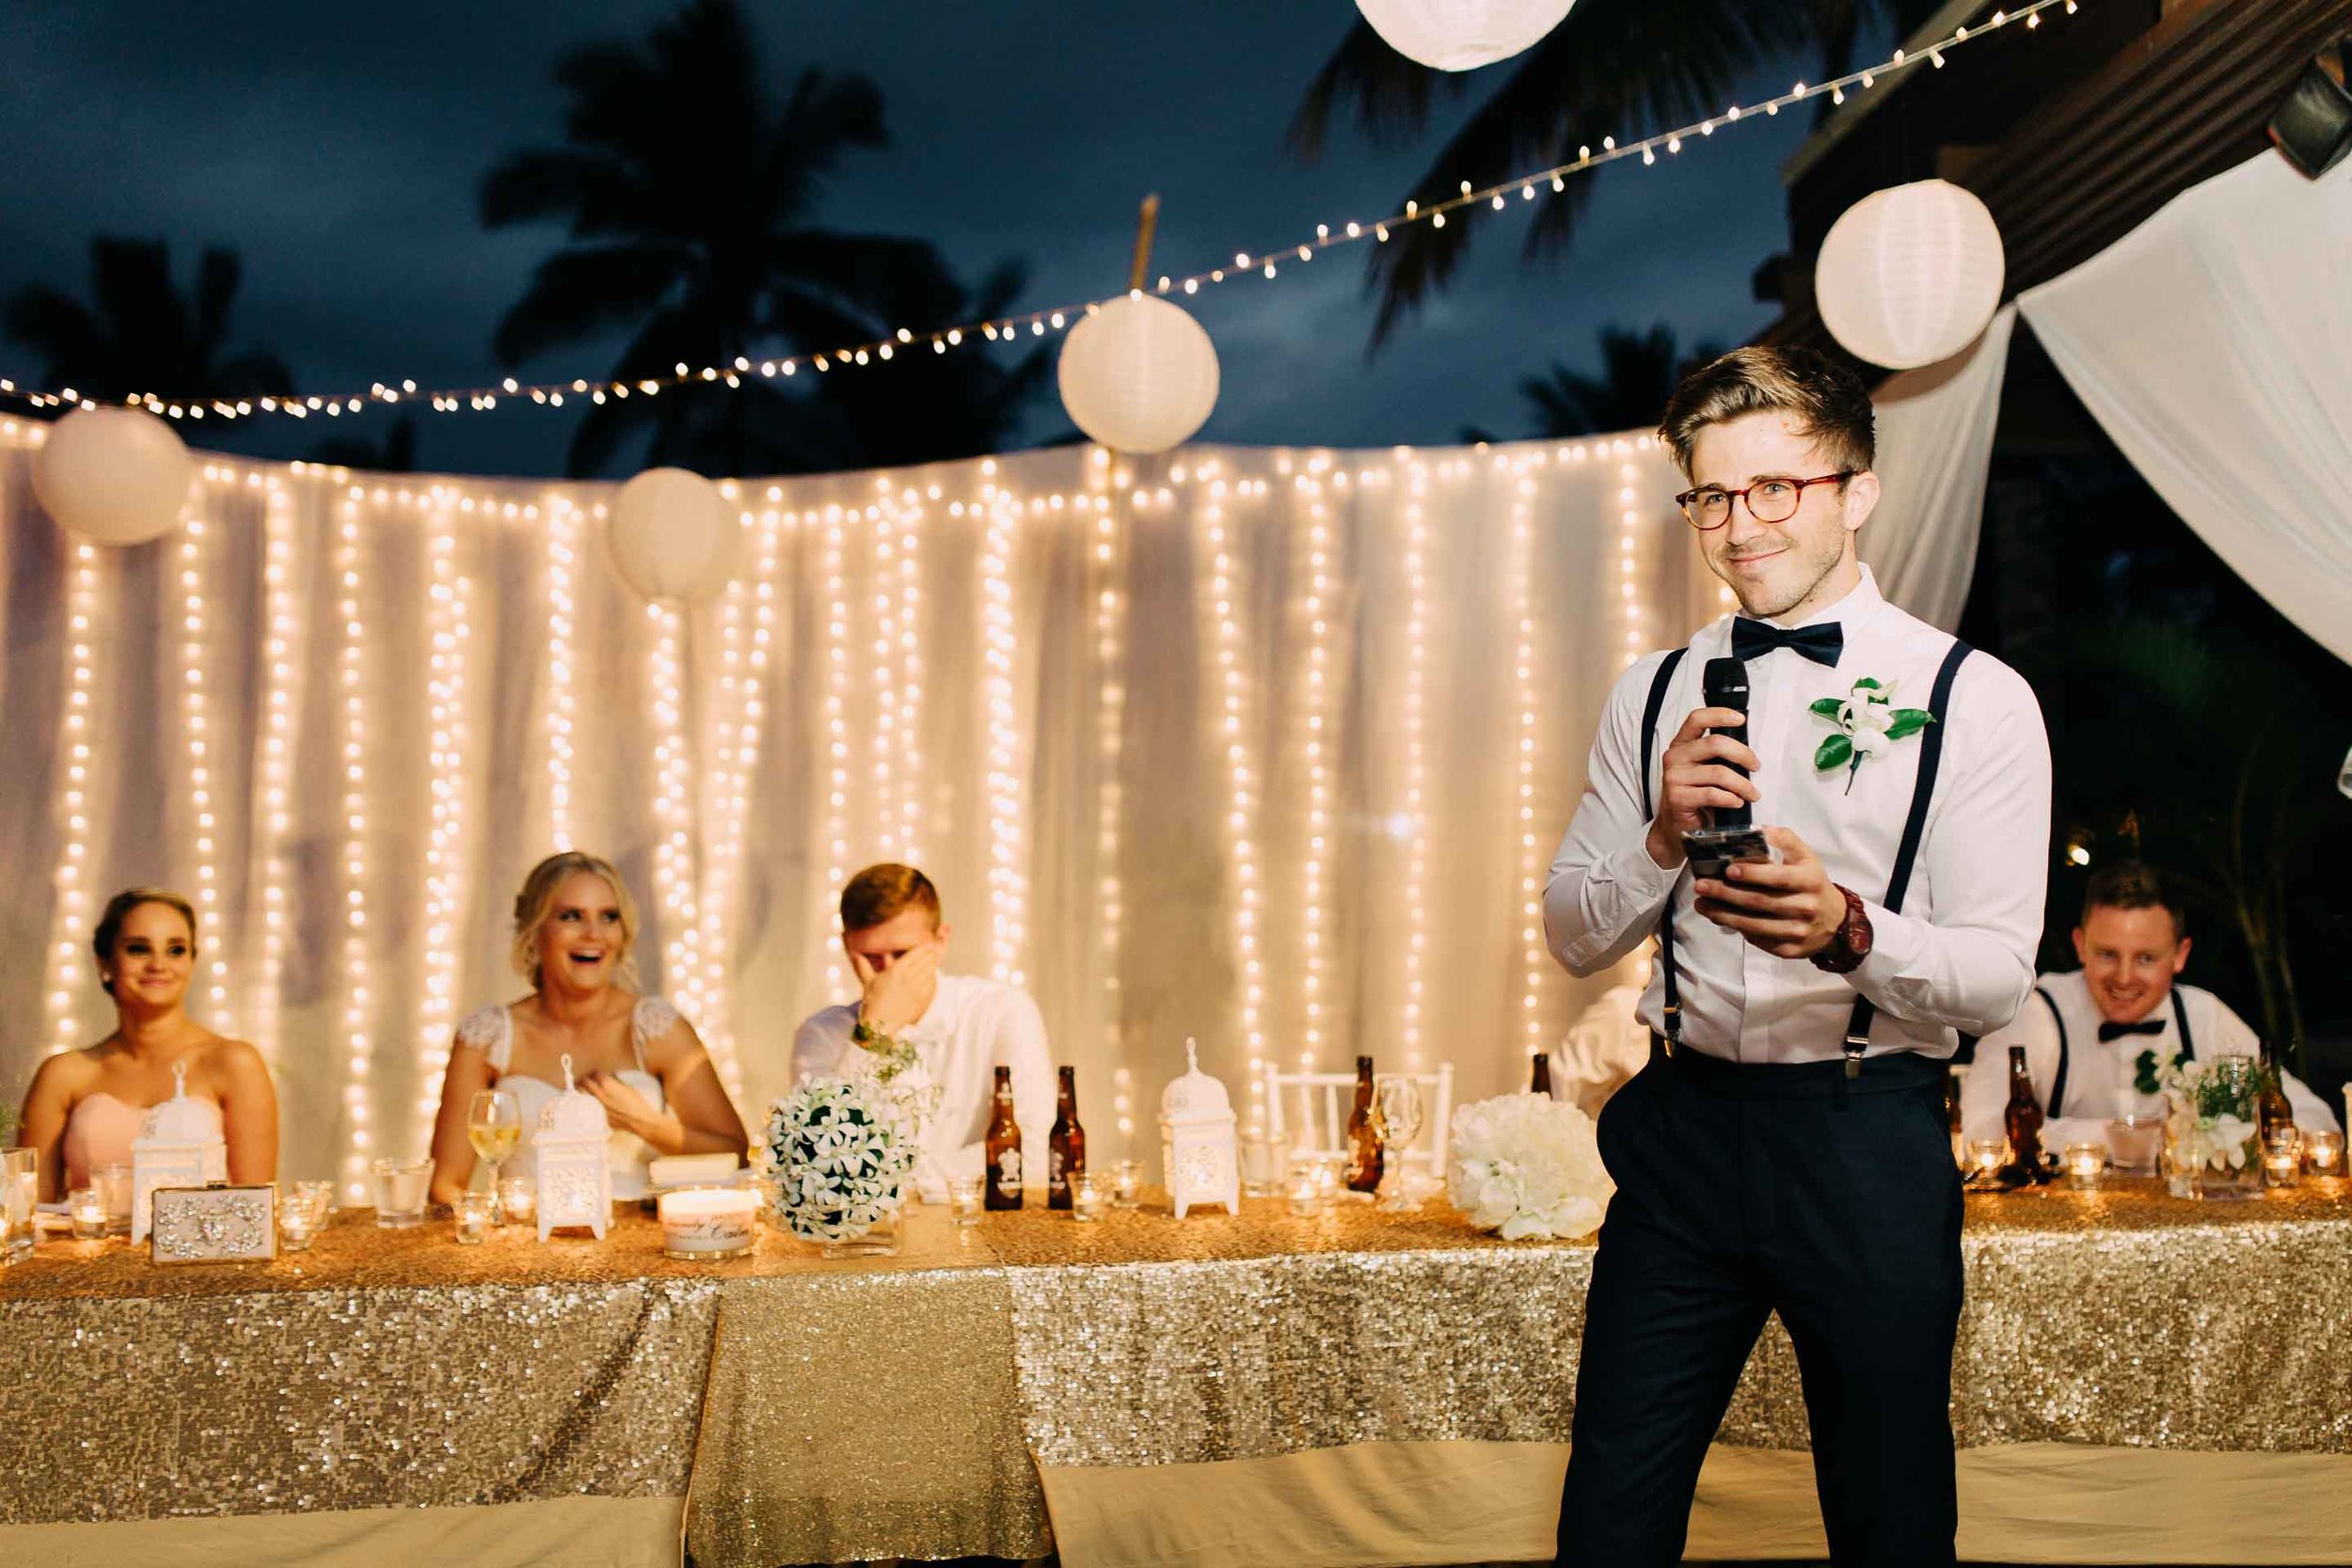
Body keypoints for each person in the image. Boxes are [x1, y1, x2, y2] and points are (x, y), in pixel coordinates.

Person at [1544, 346, 2051, 1567]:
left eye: (1777, 486)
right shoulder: (1651, 687)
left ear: (1856, 490)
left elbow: (1994, 976)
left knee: (1889, 1519)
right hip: (1687, 1135)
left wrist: (1851, 928)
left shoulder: (1975, 696)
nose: (1740, 523)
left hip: (1864, 1135)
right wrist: (1662, 834)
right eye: (1714, 494)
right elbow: (1572, 930)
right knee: (1610, 1515)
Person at [429, 851, 748, 1204]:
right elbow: (445, 1186)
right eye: (571, 916)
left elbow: (736, 1155)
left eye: (608, 917)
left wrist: (644, 1122)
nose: (594, 934)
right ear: (535, 932)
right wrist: (499, 1234)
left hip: (641, 1251)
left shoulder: (657, 1028)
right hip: (524, 1250)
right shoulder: (485, 1038)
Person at [1963, 861, 2338, 1145]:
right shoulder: (2038, 1013)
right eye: (2108, 954)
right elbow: (1982, 1131)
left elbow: (2313, 1120)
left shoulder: (2202, 1016)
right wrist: (2131, 1139)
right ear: (2080, 945)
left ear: (2180, 955)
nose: (2124, 978)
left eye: (2146, 958)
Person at [790, 863, 1053, 1202]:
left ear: (940, 941)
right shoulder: (821, 1034)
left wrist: (889, 1184)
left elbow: (1032, 1154)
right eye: (872, 958)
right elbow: (823, 1167)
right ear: (847, 948)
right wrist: (875, 1032)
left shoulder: (1001, 1011)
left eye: (902, 955)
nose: (890, 974)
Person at [16, 887, 278, 1202]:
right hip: (86, 1249)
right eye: (139, 948)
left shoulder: (234, 1062)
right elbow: (31, 1213)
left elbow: (256, 1208)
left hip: (209, 1252)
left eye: (176, 950)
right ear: (105, 962)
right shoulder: (64, 1074)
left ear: (193, 962)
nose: (158, 964)